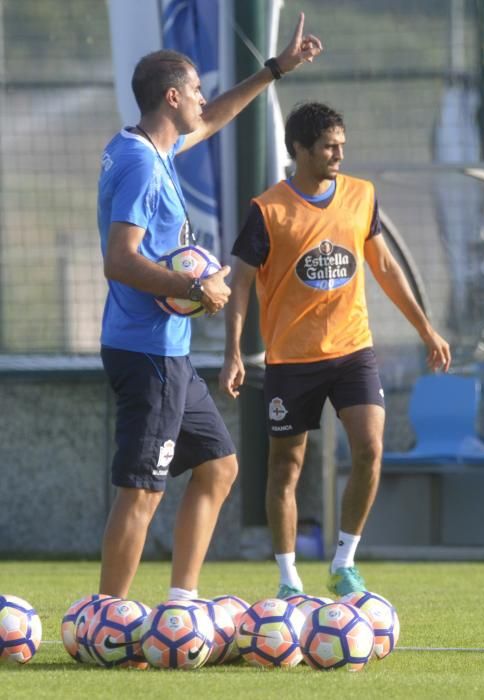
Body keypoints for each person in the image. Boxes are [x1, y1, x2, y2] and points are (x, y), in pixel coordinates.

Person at [97, 15, 323, 601]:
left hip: (166, 352)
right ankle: (107, 618)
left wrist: (275, 69)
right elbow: (119, 260)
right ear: (172, 97)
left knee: (220, 466)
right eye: (194, 89)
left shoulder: (153, 149)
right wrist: (198, 288)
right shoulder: (142, 165)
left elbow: (218, 115)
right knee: (141, 489)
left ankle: (180, 603)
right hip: (146, 350)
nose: (202, 96)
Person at [219, 102, 452, 599]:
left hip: (353, 351)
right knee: (287, 466)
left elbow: (385, 267)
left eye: (342, 144)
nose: (339, 153)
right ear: (300, 150)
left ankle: (344, 562)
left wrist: (426, 330)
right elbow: (238, 283)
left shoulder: (361, 196)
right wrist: (234, 351)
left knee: (370, 448)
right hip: (292, 360)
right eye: (329, 145)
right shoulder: (268, 210)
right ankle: (287, 579)